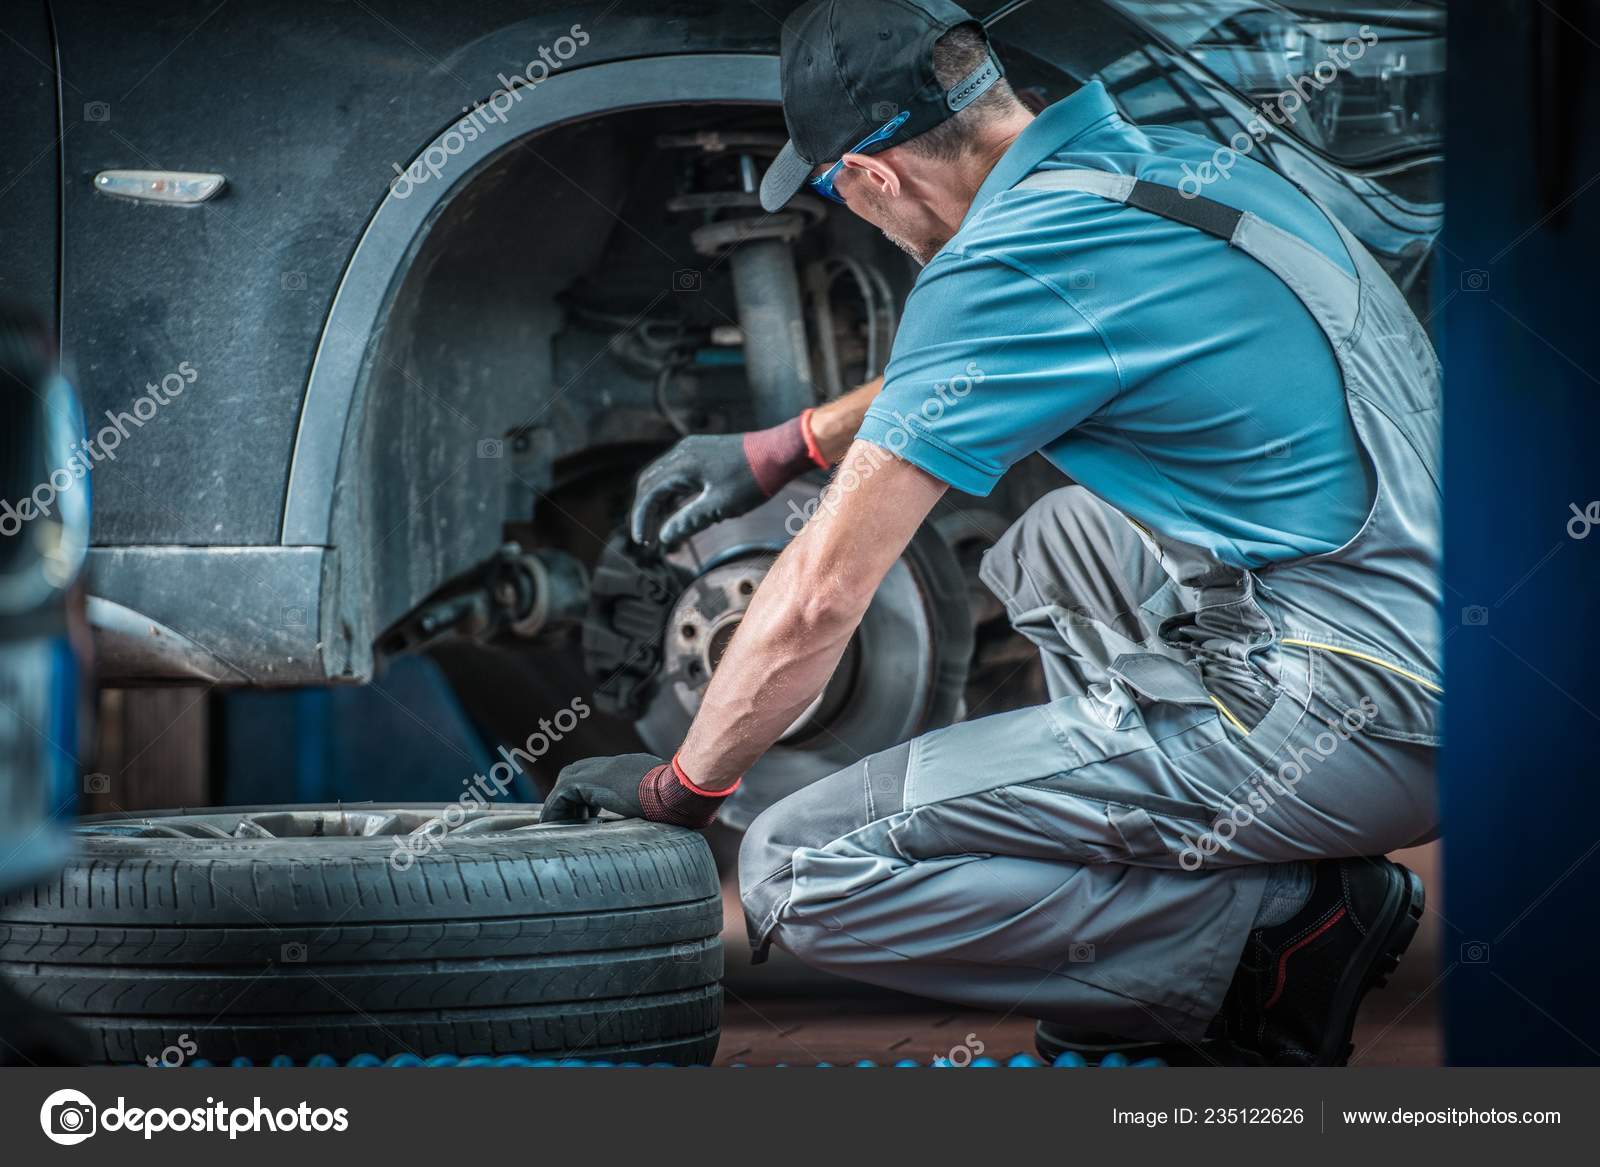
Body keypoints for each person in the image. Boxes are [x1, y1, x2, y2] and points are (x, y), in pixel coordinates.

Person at [542, 0, 1441, 1066]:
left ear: (872, 178)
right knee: (1056, 542)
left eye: (839, 193)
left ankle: (1265, 935)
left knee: (796, 866)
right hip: (1438, 651)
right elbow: (1000, 354)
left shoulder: (1002, 267)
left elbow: (821, 600)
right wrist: (787, 444)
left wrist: (680, 786)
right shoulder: (1177, 170)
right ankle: (1198, 865)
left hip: (1359, 719)